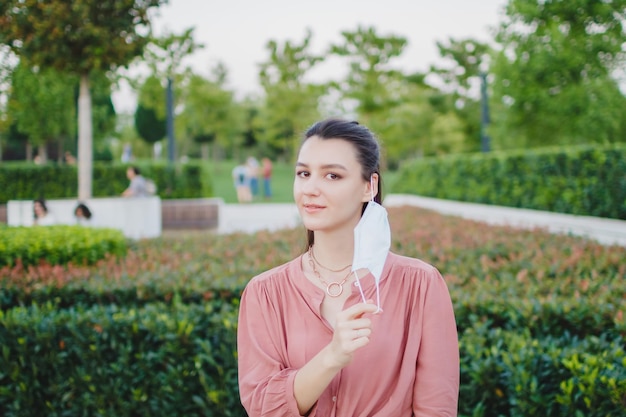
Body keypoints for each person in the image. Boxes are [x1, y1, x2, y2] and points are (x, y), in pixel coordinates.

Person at [237, 118, 459, 416]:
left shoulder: (420, 284)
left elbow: (437, 408)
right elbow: (263, 408)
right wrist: (332, 356)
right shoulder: (264, 293)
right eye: (304, 173)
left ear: (369, 186)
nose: (310, 188)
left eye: (332, 176)